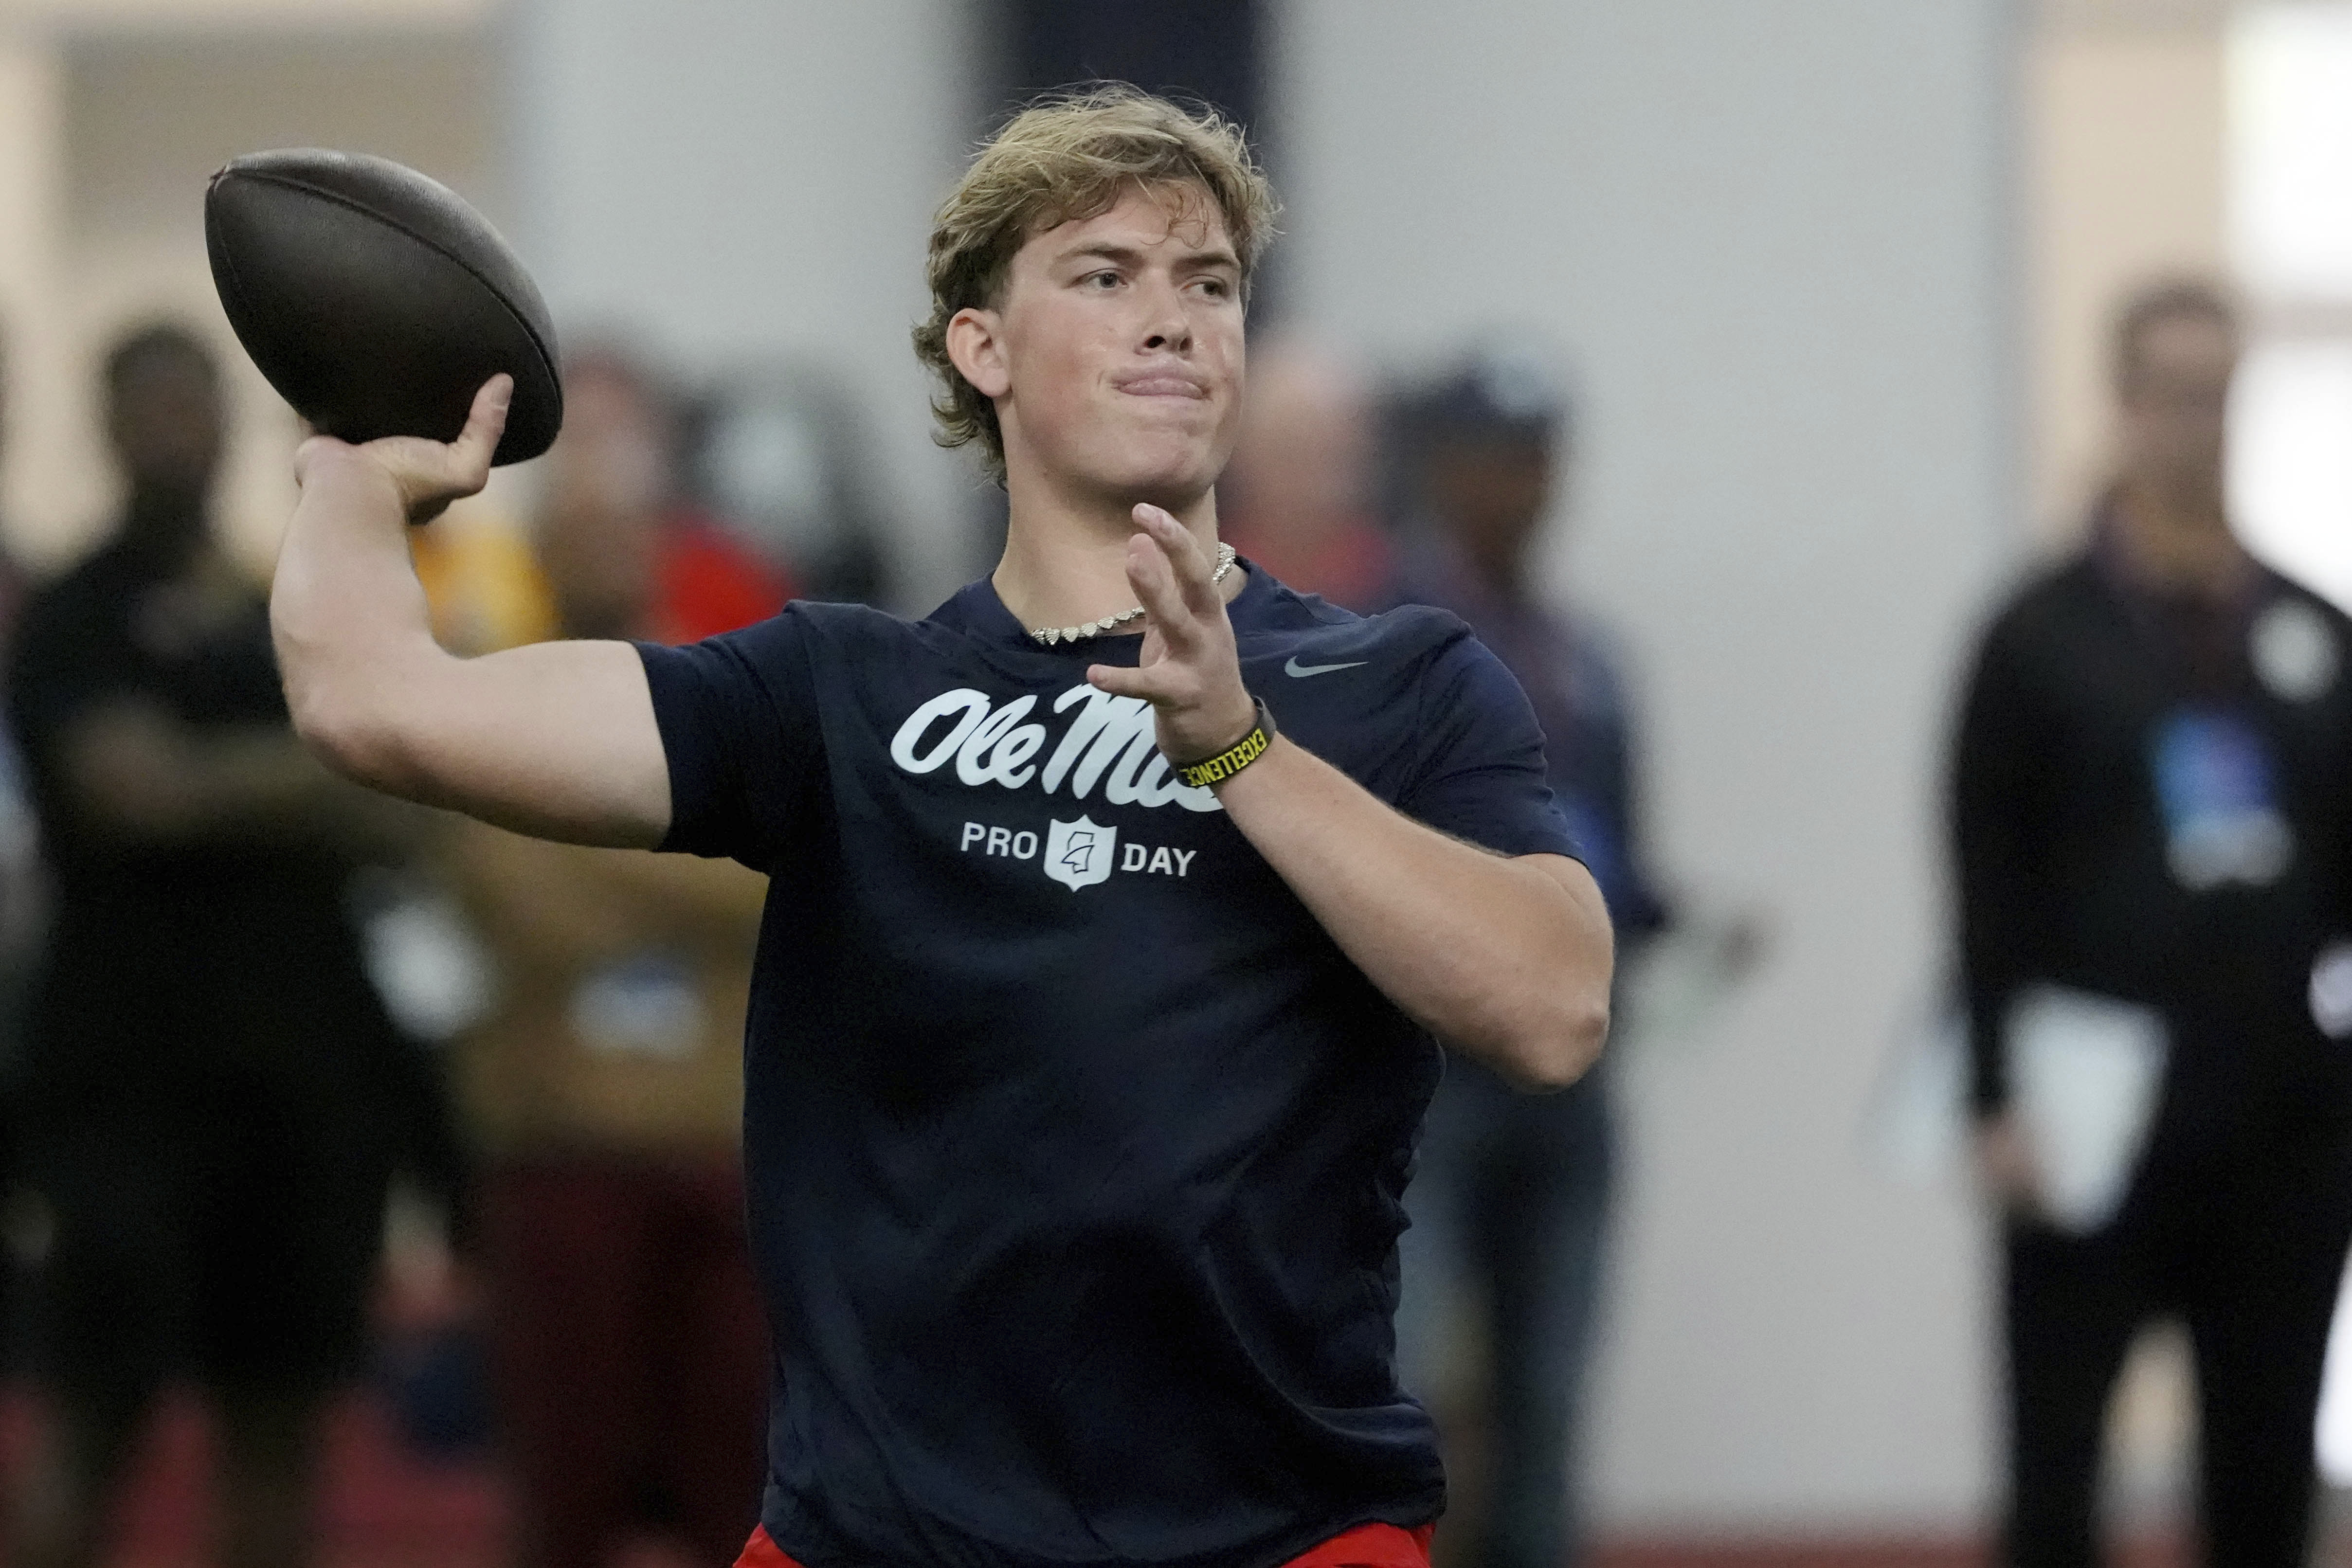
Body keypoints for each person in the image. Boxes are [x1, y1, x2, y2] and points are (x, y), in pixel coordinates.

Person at [267, 87, 1614, 1568]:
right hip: (881, 1536)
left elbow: (1552, 1003)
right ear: (983, 348)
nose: (1173, 320)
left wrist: (1241, 747)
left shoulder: (1397, 683)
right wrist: (348, 487)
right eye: (1106, 277)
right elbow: (377, 705)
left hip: (1278, 1532)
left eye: (1209, 285)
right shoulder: (840, 692)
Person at [3, 324, 443, 1568]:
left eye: (195, 406)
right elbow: (133, 790)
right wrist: (321, 766)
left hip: (303, 1082)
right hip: (124, 1082)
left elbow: (405, 809)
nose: (175, 432)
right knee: (92, 1414)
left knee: (283, 1423)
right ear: (103, 426)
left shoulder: (281, 618)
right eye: (150, 407)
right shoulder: (72, 618)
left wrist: (251, 777)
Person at [1953, 279, 2352, 1567]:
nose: (2203, 422)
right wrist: (1992, 1093)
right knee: (2059, 1468)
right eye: (2176, 393)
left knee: (2261, 1469)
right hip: (2087, 1106)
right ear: (2124, 405)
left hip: (2279, 1114)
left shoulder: (2309, 634)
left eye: (2223, 393)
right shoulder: (2039, 639)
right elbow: (1984, 885)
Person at [445, 347, 773, 1568]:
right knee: (562, 1496)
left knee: (738, 1494)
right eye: (570, 529)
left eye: (618, 527)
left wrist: (583, 841)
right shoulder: (481, 704)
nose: (597, 552)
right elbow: (506, 892)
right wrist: (680, 858)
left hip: (720, 1150)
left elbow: (774, 888)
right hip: (554, 1148)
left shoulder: (742, 693)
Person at [1380, 352, 1668, 1568]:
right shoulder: (1382, 645)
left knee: (1550, 1390)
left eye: (1540, 457)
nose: (1522, 484)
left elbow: (1619, 857)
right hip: (1429, 1070)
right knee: (1406, 1385)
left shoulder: (1588, 656)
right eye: (1497, 457)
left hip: (1564, 1070)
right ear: (1444, 472)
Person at [1217, 336, 1392, 610]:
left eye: (1326, 445)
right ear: (1238, 454)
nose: (1309, 468)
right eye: (1288, 446)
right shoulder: (1203, 581)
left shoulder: (1403, 586)